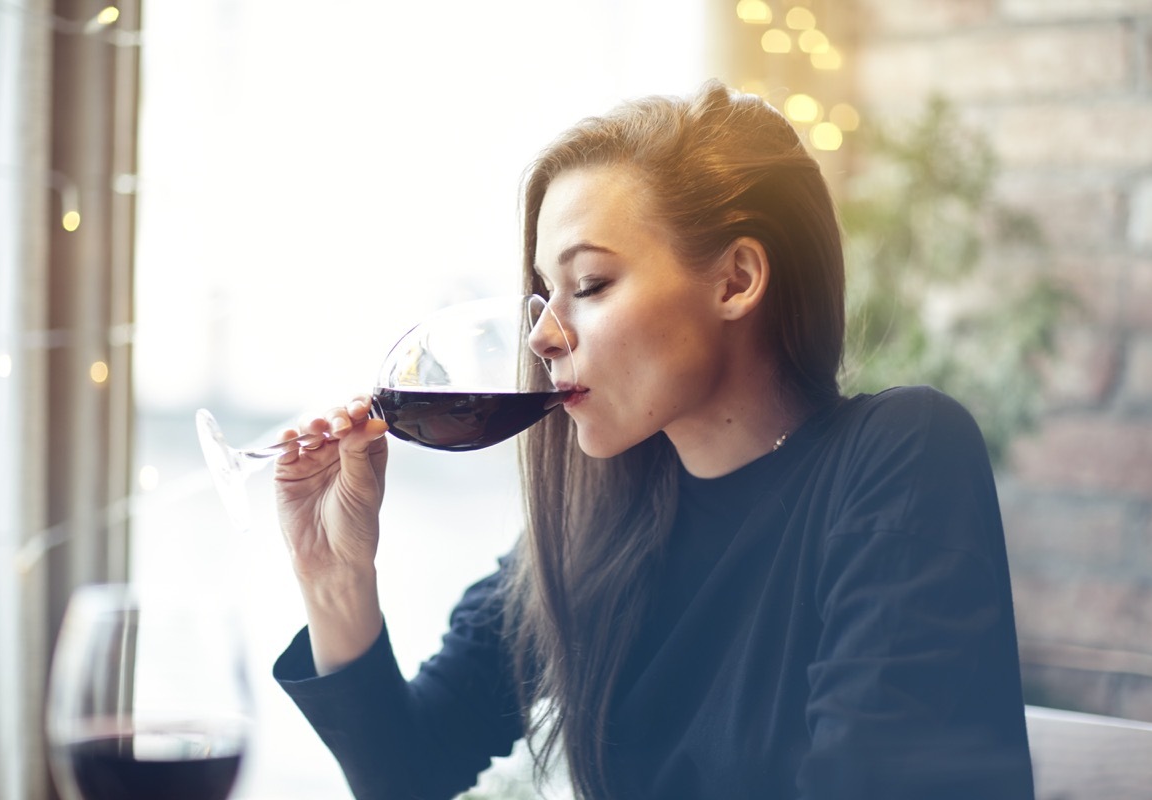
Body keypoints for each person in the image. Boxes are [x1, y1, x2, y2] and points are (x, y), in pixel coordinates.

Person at [270, 80, 1036, 800]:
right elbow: (410, 769)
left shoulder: (900, 455)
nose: (541, 336)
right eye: (542, 294)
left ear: (735, 280)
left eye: (591, 284)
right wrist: (334, 575)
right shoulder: (598, 519)